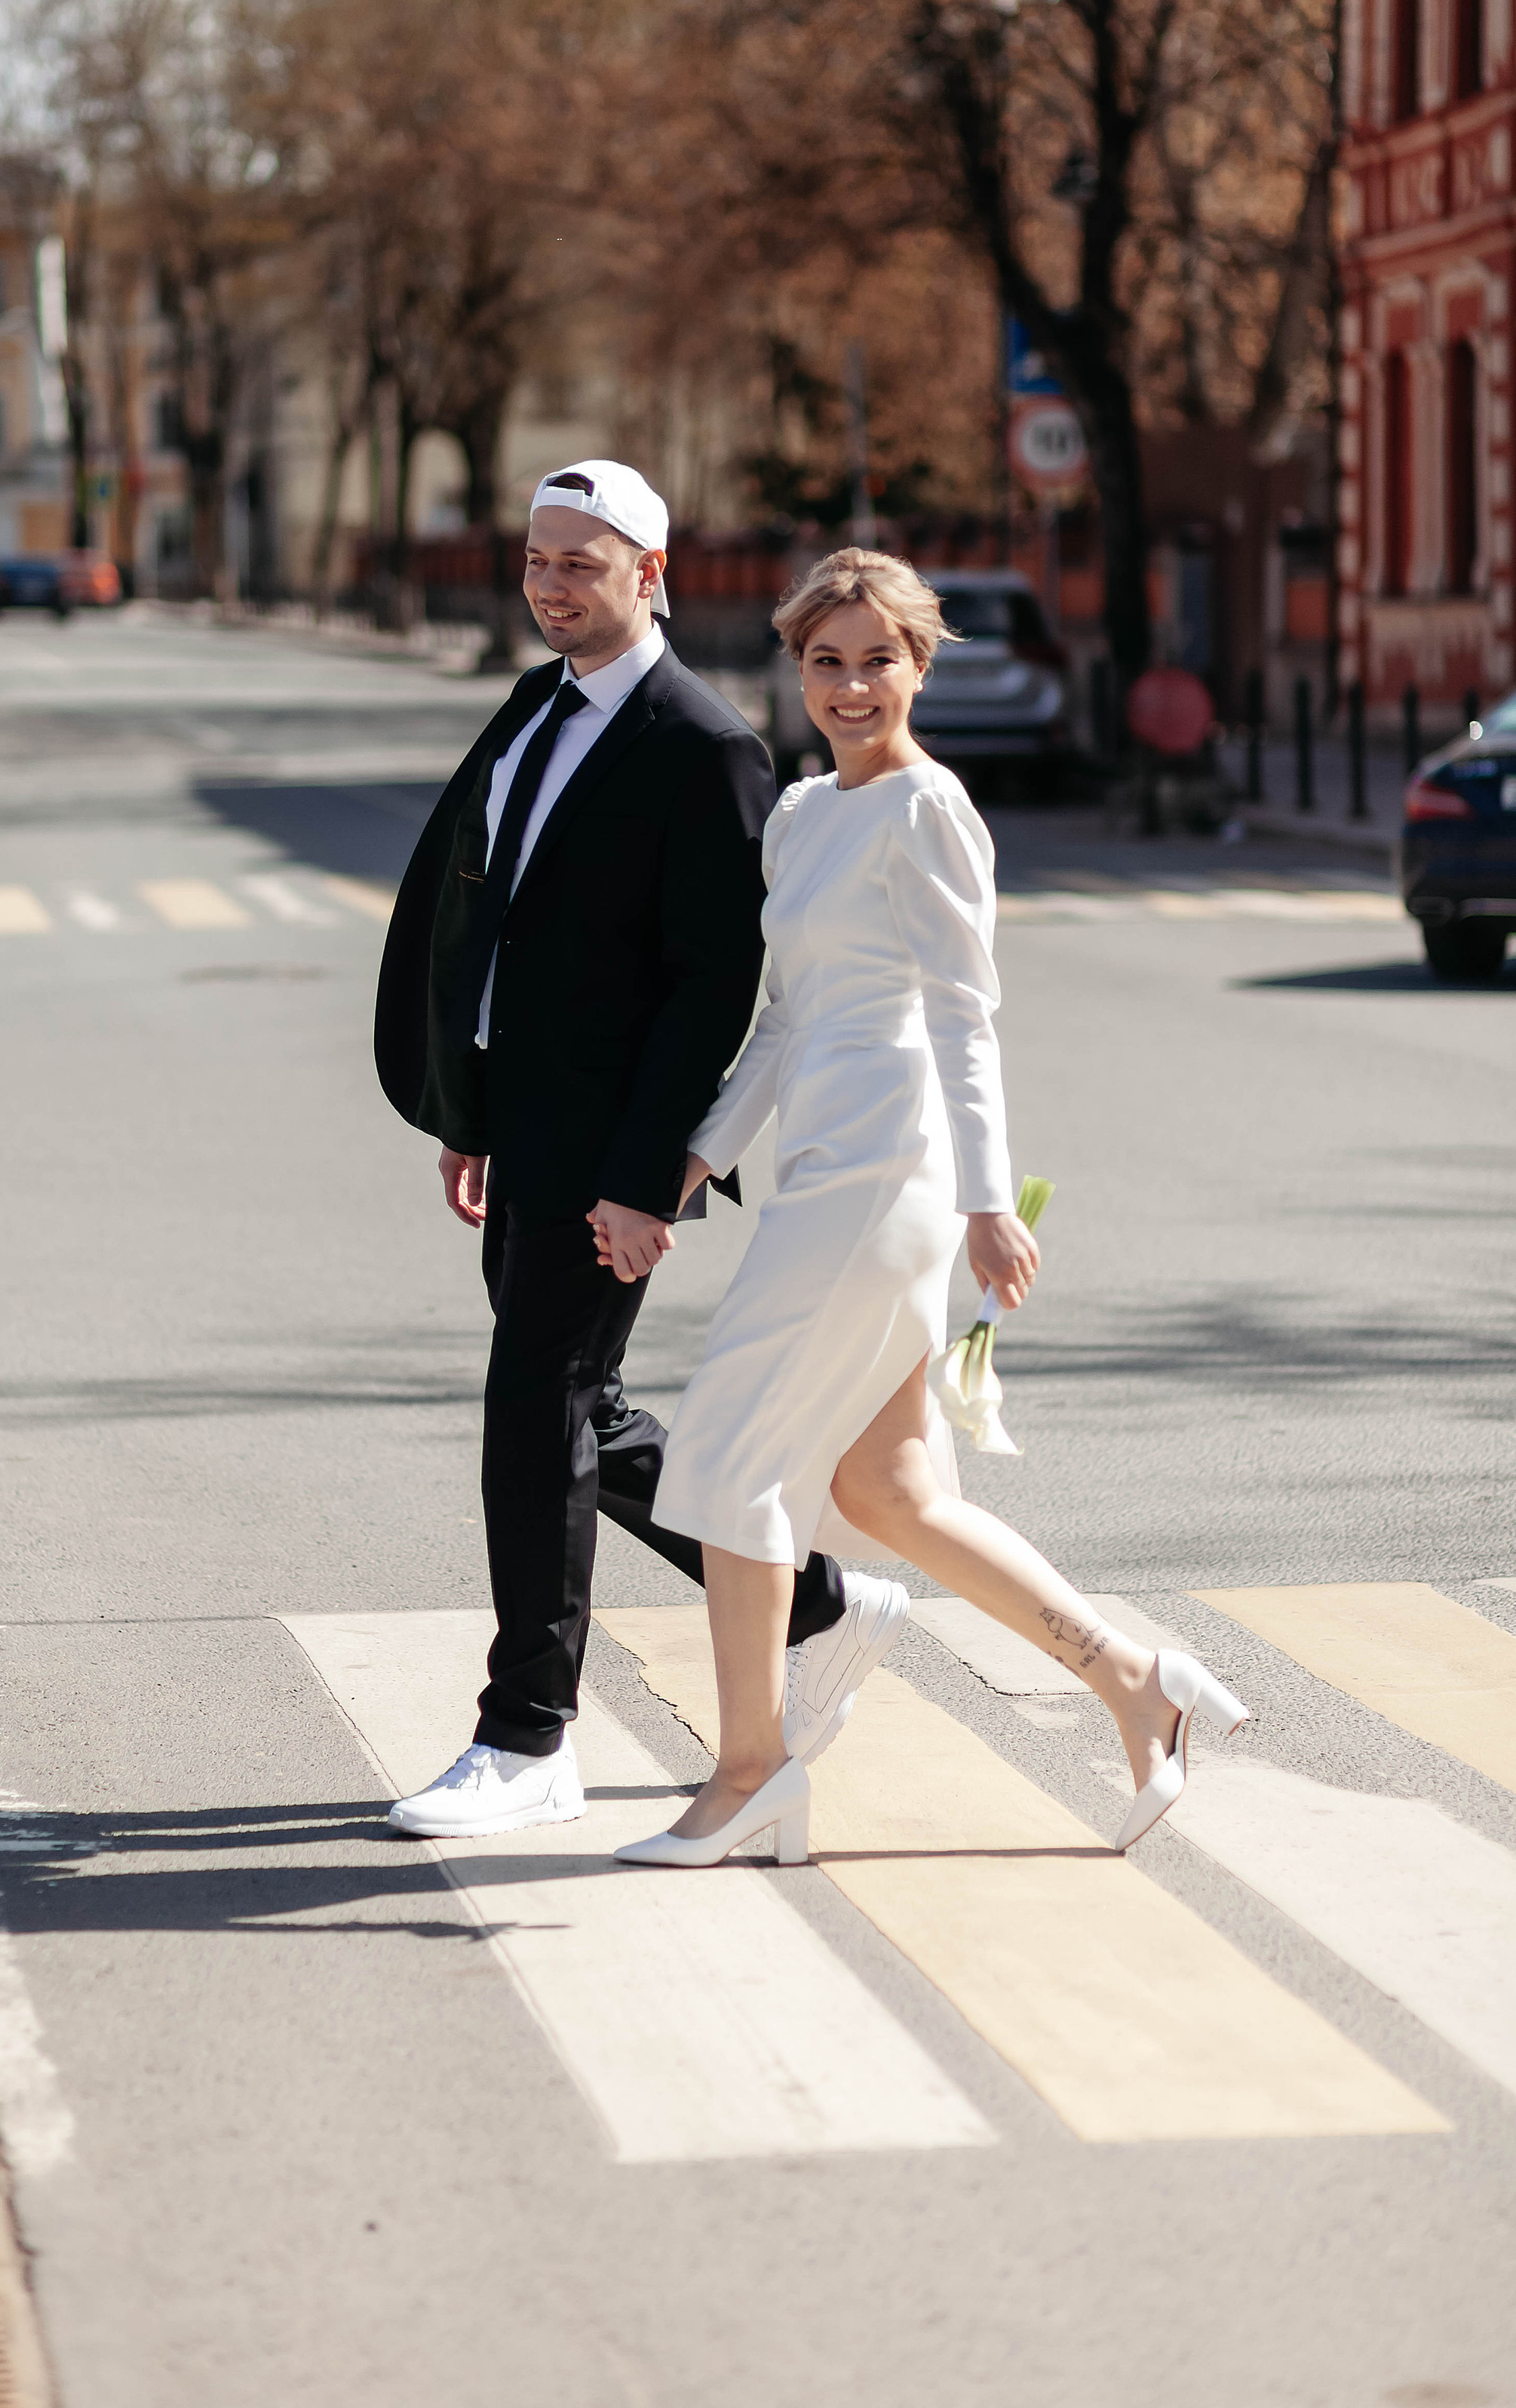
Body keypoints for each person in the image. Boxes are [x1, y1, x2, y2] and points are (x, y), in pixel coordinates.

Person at [614, 547, 1251, 1873]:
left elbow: (968, 1019)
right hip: (817, 1167)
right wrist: (689, 1158)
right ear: (797, 669)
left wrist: (982, 1203)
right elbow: (785, 1022)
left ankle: (749, 1774)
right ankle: (1140, 1680)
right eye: (828, 661)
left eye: (879, 660)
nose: (853, 687)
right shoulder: (798, 818)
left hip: (887, 1183)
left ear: (921, 663)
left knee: (730, 1461)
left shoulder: (930, 811)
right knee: (888, 1491)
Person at [373, 465, 911, 1840]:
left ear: (651, 574)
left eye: (583, 564)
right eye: (539, 560)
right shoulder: (538, 701)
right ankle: (818, 1602)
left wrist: (640, 1175)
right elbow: (485, 915)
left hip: (608, 1147)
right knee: (584, 1413)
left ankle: (528, 1734)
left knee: (531, 1414)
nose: (552, 585)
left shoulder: (703, 744)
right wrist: (465, 1108)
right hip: (526, 1125)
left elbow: (709, 990)